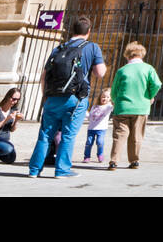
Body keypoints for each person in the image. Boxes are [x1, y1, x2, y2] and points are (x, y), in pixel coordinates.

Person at [28, 15, 106, 179]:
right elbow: (100, 73)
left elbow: (43, 76)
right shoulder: (92, 47)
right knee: (68, 135)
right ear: (89, 31)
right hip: (75, 99)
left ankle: (34, 170)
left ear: (72, 30)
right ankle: (62, 170)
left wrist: (46, 97)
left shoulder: (58, 48)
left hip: (52, 98)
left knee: (45, 135)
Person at [108, 42, 162, 170]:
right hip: (141, 107)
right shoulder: (148, 68)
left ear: (127, 55)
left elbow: (114, 90)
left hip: (122, 107)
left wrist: (116, 101)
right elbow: (157, 84)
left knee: (119, 135)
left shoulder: (122, 70)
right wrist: (149, 95)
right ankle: (134, 161)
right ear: (141, 55)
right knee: (136, 136)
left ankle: (114, 161)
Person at [84, 91, 113, 164]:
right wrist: (85, 113)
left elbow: (114, 105)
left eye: (107, 97)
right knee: (89, 143)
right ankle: (87, 157)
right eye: (103, 96)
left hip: (101, 129)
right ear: (100, 97)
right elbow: (90, 117)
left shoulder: (109, 107)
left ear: (110, 99)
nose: (105, 98)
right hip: (91, 128)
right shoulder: (94, 106)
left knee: (100, 142)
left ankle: (100, 155)